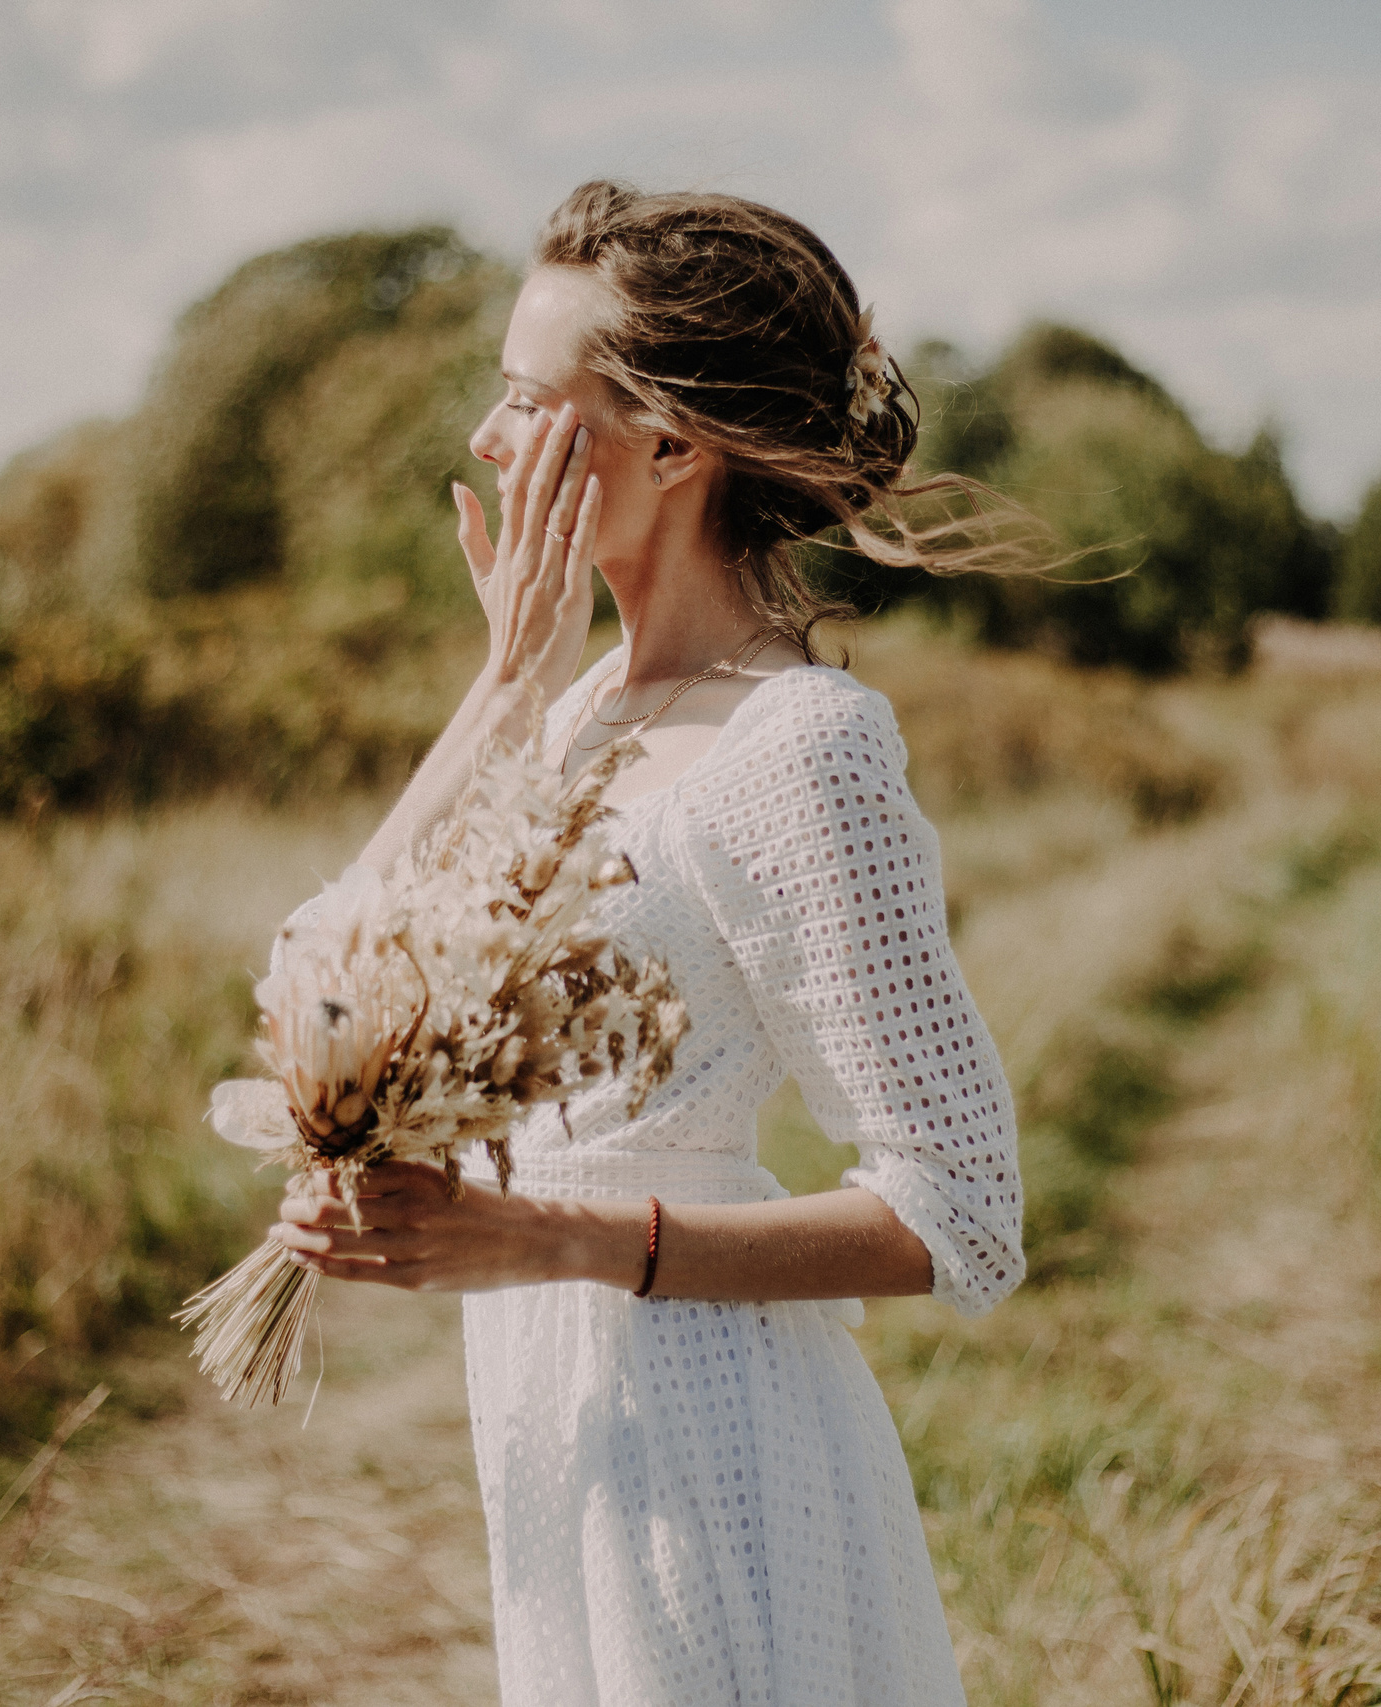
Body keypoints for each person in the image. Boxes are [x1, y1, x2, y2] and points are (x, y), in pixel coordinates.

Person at [270, 180, 1026, 1707]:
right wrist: (502, 686)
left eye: (526, 401)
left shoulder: (801, 749)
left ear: (675, 446)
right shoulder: (572, 713)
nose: (488, 439)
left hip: (717, 1445)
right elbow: (313, 980)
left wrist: (558, 1238)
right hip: (556, 1423)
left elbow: (966, 1215)